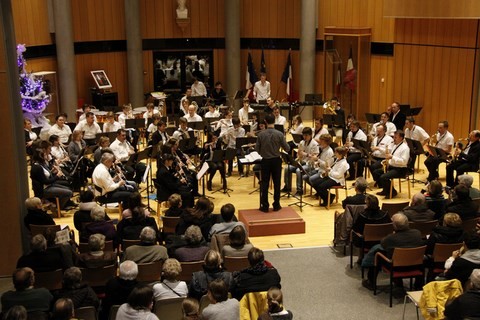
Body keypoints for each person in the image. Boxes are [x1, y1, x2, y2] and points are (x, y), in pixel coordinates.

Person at [361, 213, 424, 290]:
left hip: (396, 268)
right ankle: (418, 286)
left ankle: (371, 282)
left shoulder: (391, 238)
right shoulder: (417, 233)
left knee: (377, 252)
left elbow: (383, 243)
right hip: (415, 265)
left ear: (394, 226)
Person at [255, 114, 290, 212]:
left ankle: (265, 206)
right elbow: (287, 148)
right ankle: (276, 205)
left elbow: (257, 150)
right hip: (276, 161)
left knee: (264, 184)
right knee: (277, 183)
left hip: (265, 161)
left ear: (265, 121)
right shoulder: (279, 134)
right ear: (274, 121)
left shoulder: (261, 134)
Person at [30, 144, 73, 210]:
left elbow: (47, 176)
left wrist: (53, 171)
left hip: (49, 186)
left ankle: (63, 204)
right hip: (44, 190)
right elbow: (45, 181)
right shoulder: (37, 167)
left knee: (68, 188)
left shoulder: (42, 164)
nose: (46, 156)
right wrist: (57, 176)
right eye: (44, 155)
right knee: (69, 193)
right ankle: (59, 207)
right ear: (40, 157)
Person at [372, 130, 410, 199]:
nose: (393, 139)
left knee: (384, 177)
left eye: (395, 137)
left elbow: (404, 162)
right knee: (376, 172)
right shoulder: (395, 145)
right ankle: (386, 190)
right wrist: (386, 161)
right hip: (392, 167)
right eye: (394, 137)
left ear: (401, 138)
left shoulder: (405, 148)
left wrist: (392, 157)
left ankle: (393, 192)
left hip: (400, 169)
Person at [282, 127, 319, 196]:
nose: (304, 137)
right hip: (301, 162)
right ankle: (287, 187)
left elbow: (315, 157)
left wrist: (305, 154)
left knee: (298, 171)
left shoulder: (315, 144)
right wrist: (299, 154)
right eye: (303, 135)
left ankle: (299, 190)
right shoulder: (302, 142)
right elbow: (299, 153)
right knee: (288, 168)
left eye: (306, 135)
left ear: (310, 135)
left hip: (310, 164)